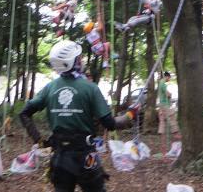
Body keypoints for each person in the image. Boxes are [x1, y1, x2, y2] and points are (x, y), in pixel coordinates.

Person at [19, 40, 139, 192]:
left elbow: (24, 113)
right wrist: (130, 114)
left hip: (60, 158)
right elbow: (109, 123)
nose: (81, 60)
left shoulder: (50, 88)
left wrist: (39, 140)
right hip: (85, 157)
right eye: (79, 57)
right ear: (73, 61)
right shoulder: (90, 88)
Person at [157, 72, 180, 155]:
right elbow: (167, 94)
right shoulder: (163, 84)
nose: (169, 79)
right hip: (165, 105)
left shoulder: (160, 83)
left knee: (162, 124)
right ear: (167, 77)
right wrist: (170, 94)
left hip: (161, 105)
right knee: (173, 118)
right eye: (169, 78)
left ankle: (163, 150)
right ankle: (176, 134)